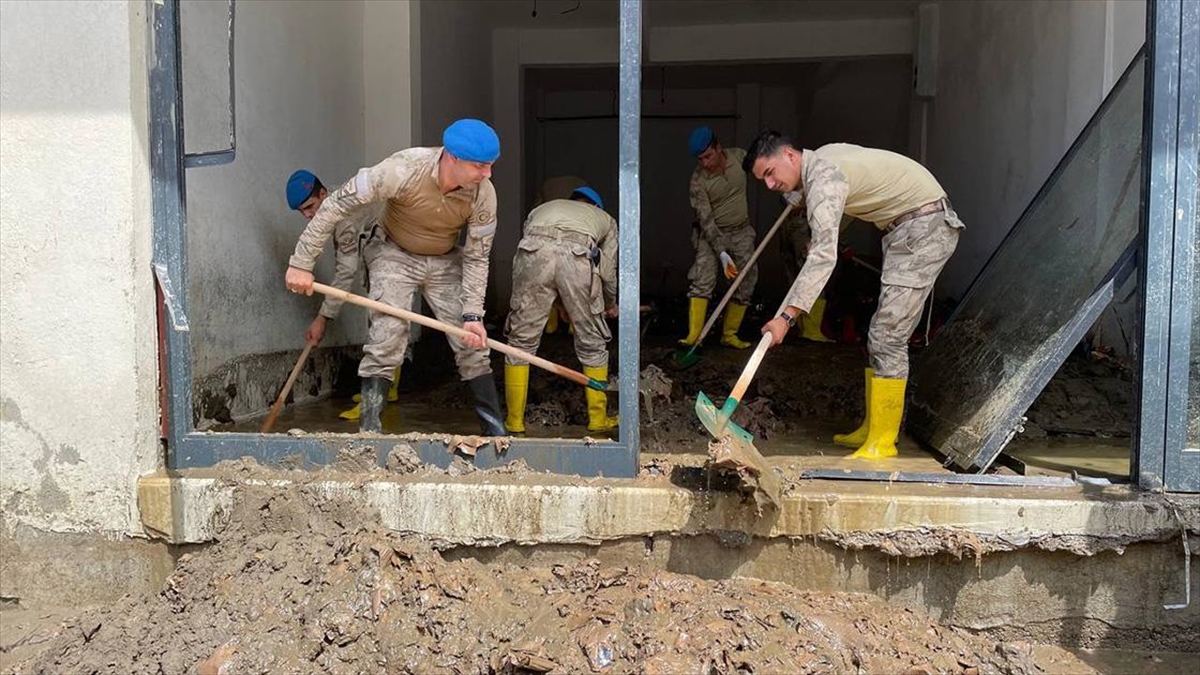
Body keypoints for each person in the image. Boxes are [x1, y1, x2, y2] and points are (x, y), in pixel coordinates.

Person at [744, 132, 964, 459]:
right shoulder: (823, 155)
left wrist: (786, 318)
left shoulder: (823, 177)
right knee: (876, 333)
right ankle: (872, 427)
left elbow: (823, 255)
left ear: (789, 155)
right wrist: (807, 207)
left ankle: (883, 441)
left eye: (770, 173)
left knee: (888, 336)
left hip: (924, 229)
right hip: (909, 229)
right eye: (763, 179)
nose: (770, 184)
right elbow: (840, 203)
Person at [285, 119, 506, 436]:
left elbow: (477, 255)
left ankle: (495, 433)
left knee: (472, 344)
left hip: (445, 259)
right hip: (393, 252)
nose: (487, 175)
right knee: (387, 338)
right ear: (452, 158)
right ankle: (369, 437)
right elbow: (334, 205)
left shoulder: (483, 194)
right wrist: (301, 262)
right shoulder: (403, 169)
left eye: (490, 166)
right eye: (480, 166)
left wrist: (473, 314)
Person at [284, 169, 408, 421]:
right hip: (383, 245)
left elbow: (345, 272)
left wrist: (323, 318)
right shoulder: (334, 197)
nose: (308, 215)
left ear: (322, 193)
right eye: (302, 212)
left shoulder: (343, 219)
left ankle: (376, 400)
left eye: (310, 207)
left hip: (392, 249)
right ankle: (388, 389)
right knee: (382, 318)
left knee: (384, 322)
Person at [503, 186, 619, 435]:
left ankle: (514, 421)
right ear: (596, 207)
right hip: (577, 255)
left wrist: (559, 303)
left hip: (533, 249)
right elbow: (607, 272)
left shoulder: (541, 210)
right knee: (592, 341)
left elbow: (544, 262)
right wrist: (609, 304)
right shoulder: (606, 221)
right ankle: (598, 419)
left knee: (520, 341)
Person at [679, 126, 759, 350]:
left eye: (708, 156)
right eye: (700, 159)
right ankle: (694, 336)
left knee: (747, 279)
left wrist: (786, 191)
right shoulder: (698, 181)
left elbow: (764, 172)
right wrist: (721, 252)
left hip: (741, 231)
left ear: (718, 147)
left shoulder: (740, 158)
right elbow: (706, 220)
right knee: (702, 279)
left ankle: (729, 334)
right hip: (711, 234)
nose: (705, 163)